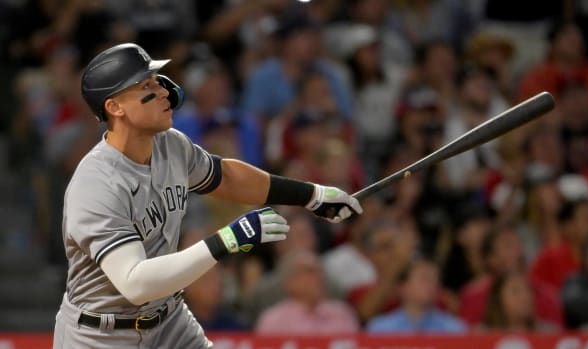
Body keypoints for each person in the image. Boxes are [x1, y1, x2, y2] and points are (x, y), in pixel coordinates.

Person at [52, 43, 362, 349]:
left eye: (158, 81)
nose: (162, 91)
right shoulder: (96, 183)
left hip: (167, 317)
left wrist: (311, 194)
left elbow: (224, 176)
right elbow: (135, 283)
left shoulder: (170, 144)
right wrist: (226, 240)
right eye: (146, 85)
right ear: (115, 107)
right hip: (101, 334)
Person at [254, 250, 360, 334]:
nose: (319, 277)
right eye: (309, 272)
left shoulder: (342, 313)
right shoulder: (273, 320)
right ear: (289, 282)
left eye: (320, 271)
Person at [366, 257, 466, 333]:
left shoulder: (455, 328)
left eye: (436, 280)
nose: (432, 285)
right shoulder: (380, 328)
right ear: (403, 287)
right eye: (425, 278)